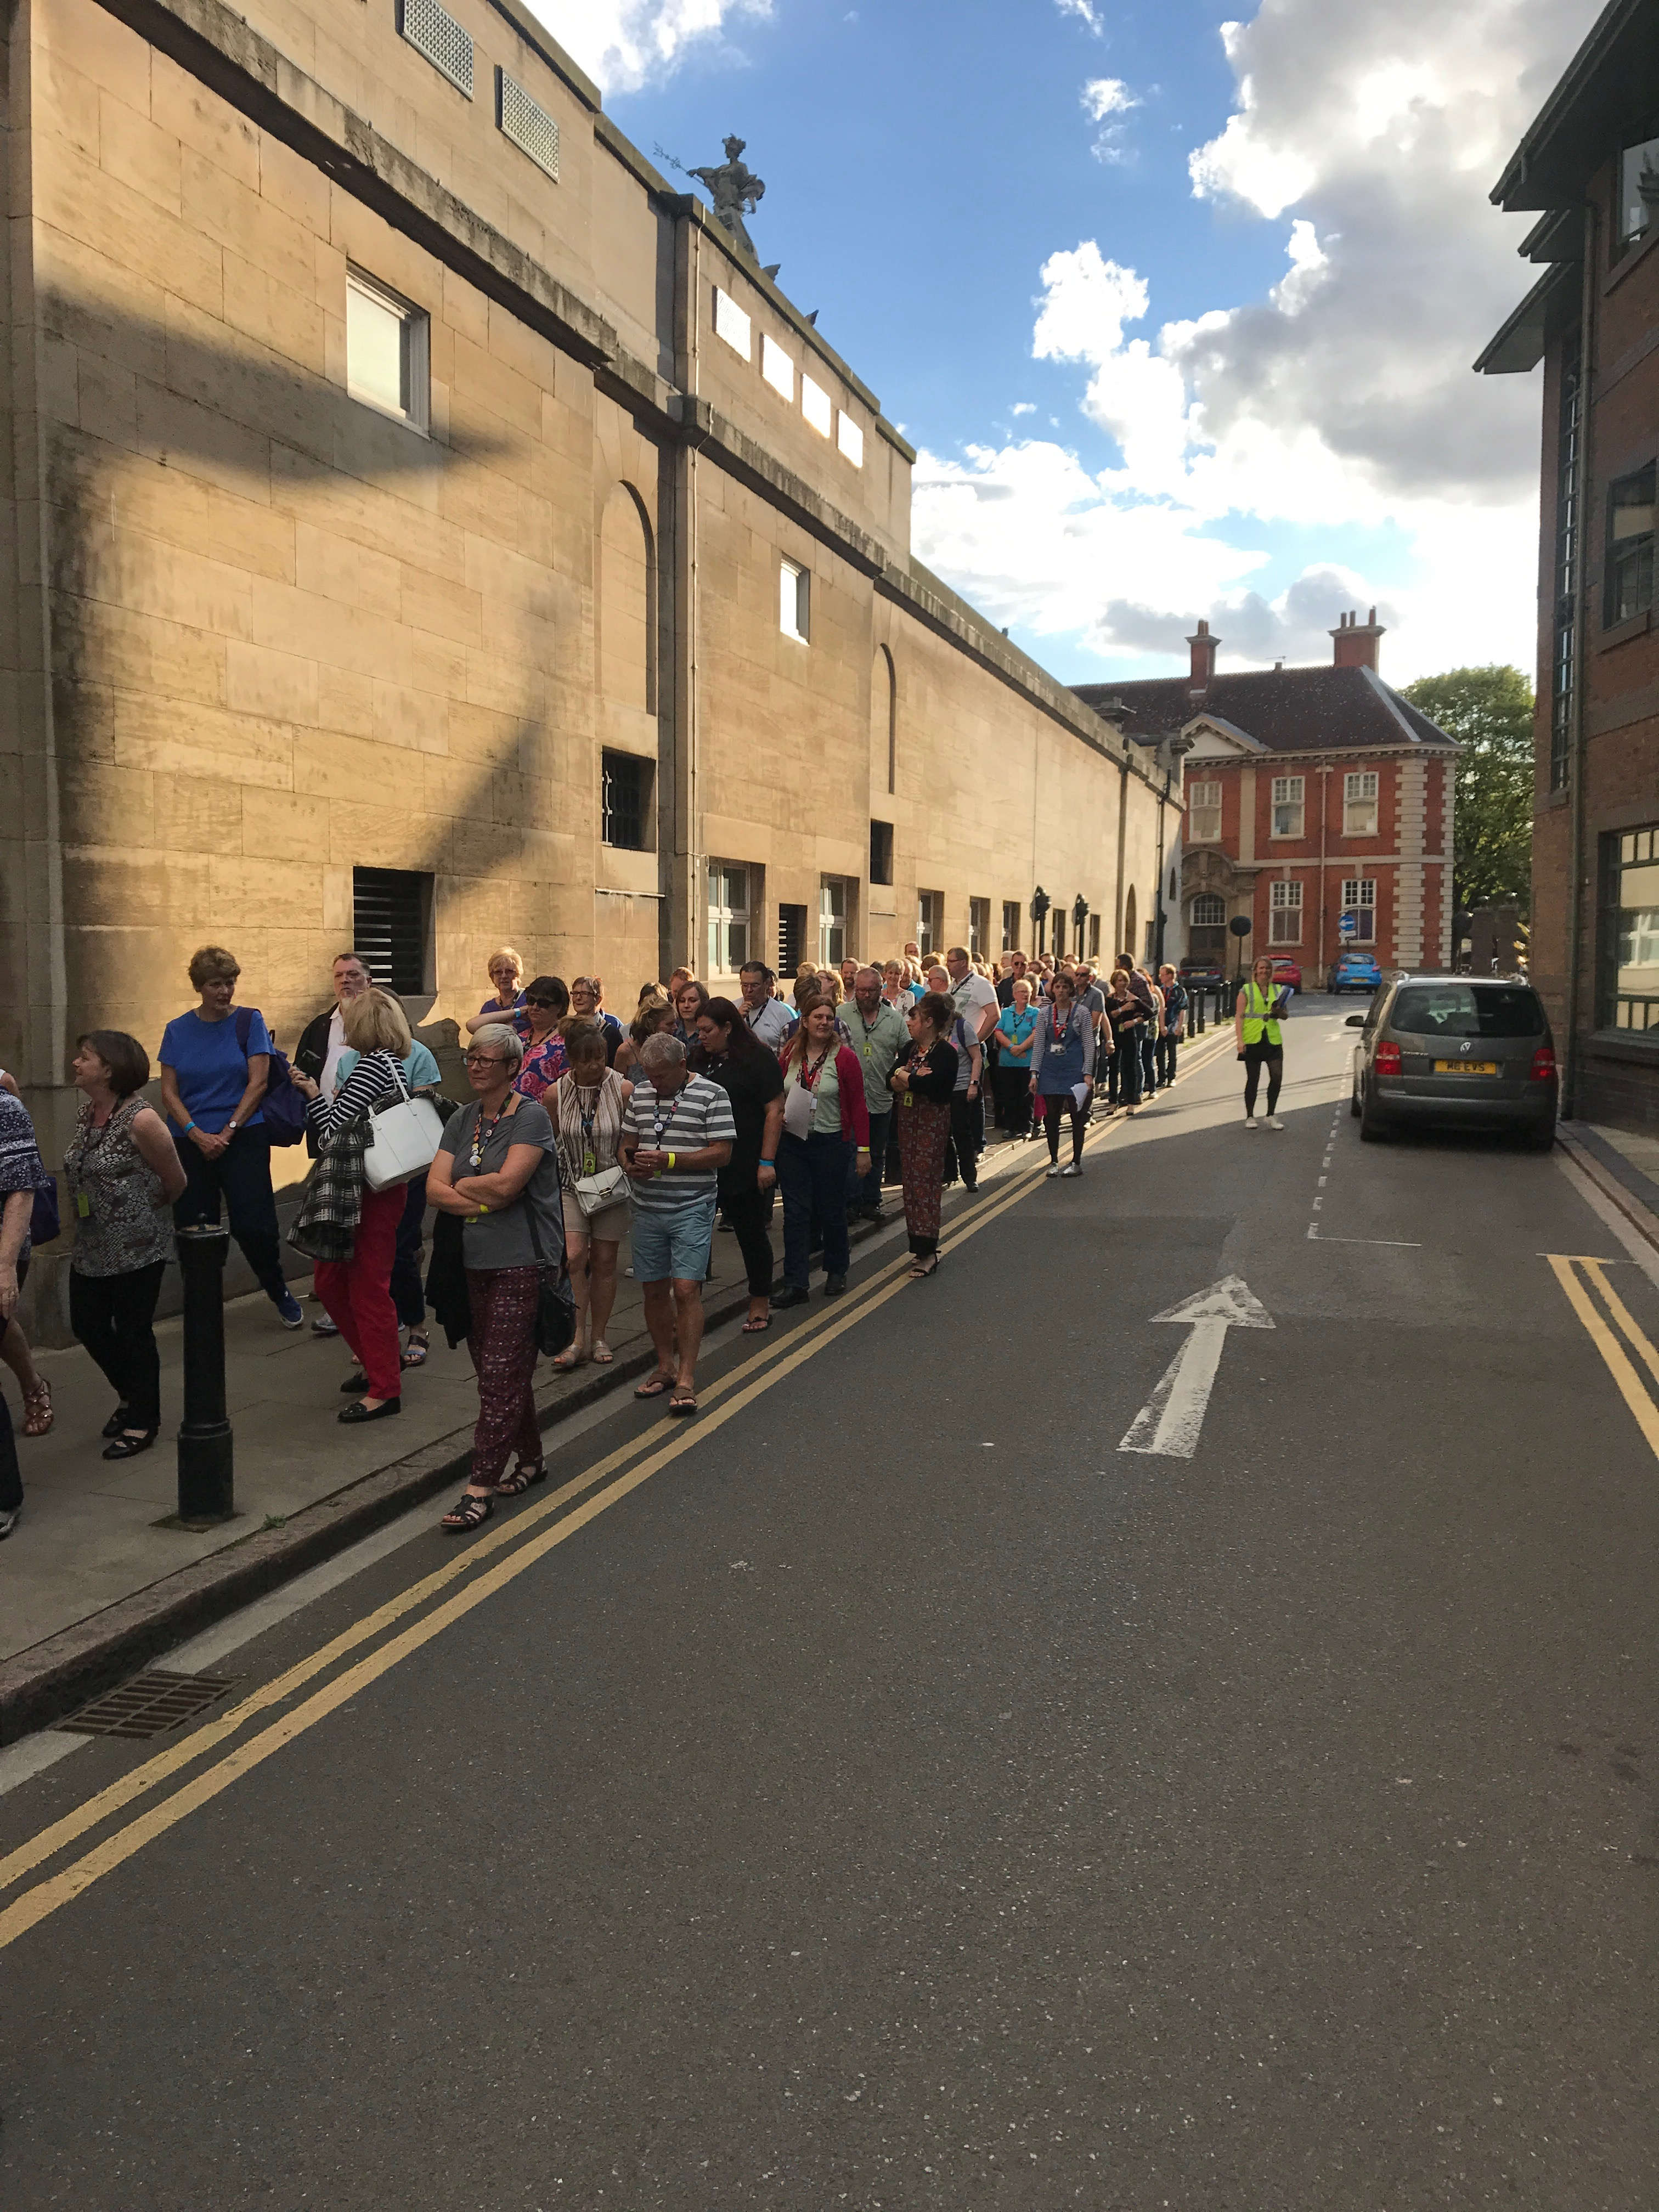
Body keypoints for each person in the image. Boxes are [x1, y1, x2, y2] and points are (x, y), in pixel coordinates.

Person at [428, 1024, 565, 1532]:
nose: (475, 1066)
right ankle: (532, 1461)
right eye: (471, 1057)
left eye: (486, 1059)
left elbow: (509, 1186)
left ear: (512, 1067)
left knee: (500, 1377)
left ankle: (479, 1488)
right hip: (469, 1264)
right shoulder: (462, 1118)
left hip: (522, 1262)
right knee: (498, 1375)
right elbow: (433, 1189)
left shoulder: (530, 1117)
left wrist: (465, 1187)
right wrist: (481, 1198)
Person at [289, 989, 419, 1423]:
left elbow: (331, 1133)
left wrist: (312, 1094)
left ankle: (385, 1388)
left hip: (365, 1191)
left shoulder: (370, 1067)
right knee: (330, 1280)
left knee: (365, 1288)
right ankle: (379, 1362)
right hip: (373, 1188)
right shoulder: (391, 1064)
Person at [159, 945, 304, 1329]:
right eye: (215, 984)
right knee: (194, 1225)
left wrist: (227, 1132)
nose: (224, 991)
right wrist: (195, 1133)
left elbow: (258, 1083)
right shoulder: (176, 1030)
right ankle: (202, 1306)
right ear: (199, 986)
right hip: (190, 1140)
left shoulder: (249, 1021)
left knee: (254, 1224)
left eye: (230, 983)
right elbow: (169, 1092)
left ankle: (278, 1289)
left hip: (244, 1135)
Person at [61, 1030, 188, 1468]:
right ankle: (131, 1394)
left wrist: (141, 1214)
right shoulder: (87, 1114)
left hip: (137, 1248)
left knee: (134, 1332)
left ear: (109, 1069)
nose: (76, 1063)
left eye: (85, 1057)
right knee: (88, 1324)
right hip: (91, 1245)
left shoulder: (141, 1119)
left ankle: (143, 1420)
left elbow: (176, 1180)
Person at [619, 1034, 735, 1414]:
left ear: (682, 1066)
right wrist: (630, 1164)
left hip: (692, 1206)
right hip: (646, 1207)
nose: (654, 1083)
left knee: (685, 1290)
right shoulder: (640, 1094)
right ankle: (665, 1366)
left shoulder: (712, 1095)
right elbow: (627, 1142)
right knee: (654, 1290)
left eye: (662, 1076)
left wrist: (670, 1161)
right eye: (649, 1075)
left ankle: (686, 1378)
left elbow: (722, 1153)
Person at [331, 998, 444, 1377]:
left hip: (399, 1168)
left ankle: (413, 1328)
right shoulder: (357, 1063)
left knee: (397, 1252)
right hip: (376, 1171)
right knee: (382, 1259)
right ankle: (383, 1338)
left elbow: (335, 1127)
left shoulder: (403, 1058)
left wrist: (312, 1097)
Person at [771, 999, 870, 1308]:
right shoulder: (790, 1053)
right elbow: (778, 1094)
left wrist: (864, 1150)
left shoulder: (846, 1058)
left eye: (829, 1017)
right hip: (794, 1144)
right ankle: (795, 1283)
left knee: (831, 1210)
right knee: (795, 1214)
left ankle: (836, 1270)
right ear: (805, 1021)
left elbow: (858, 1105)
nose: (824, 1022)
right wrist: (780, 1115)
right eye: (818, 1017)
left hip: (831, 1143)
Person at [695, 997, 785, 1334]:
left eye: (708, 1030)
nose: (702, 1036)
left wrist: (766, 1162)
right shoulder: (699, 1058)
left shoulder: (758, 1058)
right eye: (699, 1030)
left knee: (751, 1234)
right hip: (704, 1162)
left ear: (728, 1027)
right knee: (695, 1235)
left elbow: (775, 1110)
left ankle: (760, 1301)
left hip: (745, 1161)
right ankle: (690, 1304)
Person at [546, 1022, 631, 1369]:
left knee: (606, 1261)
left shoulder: (623, 1089)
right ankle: (577, 1338)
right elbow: (553, 1139)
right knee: (575, 1257)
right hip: (571, 1185)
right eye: (586, 1059)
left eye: (600, 1057)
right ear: (571, 1060)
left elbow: (630, 1137)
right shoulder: (555, 1093)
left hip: (611, 1186)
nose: (595, 1065)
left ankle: (600, 1336)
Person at [0, 1086, 52, 1536]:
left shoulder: (5, 1108)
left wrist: (4, 1268)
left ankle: (4, 1498)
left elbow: (21, 1190)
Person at [888, 991, 958, 1281]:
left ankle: (929, 1252)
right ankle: (917, 1246)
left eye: (914, 1017)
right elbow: (890, 1080)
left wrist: (906, 1077)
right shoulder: (909, 1048)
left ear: (929, 1021)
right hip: (907, 1124)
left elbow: (935, 1088)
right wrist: (910, 1078)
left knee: (927, 1186)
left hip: (931, 1126)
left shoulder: (946, 1053)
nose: (909, 1022)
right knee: (911, 1185)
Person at [841, 968, 907, 1224]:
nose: (866, 995)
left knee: (876, 1153)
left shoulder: (895, 1019)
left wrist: (898, 1077)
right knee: (852, 1153)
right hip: (847, 1100)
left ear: (881, 989)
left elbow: (907, 1053)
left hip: (881, 1098)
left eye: (871, 990)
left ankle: (871, 1202)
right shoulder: (841, 1015)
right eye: (861, 990)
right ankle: (850, 1204)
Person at [1031, 971, 1094, 1177]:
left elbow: (1089, 1045)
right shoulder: (1044, 1014)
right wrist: (1034, 1073)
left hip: (1075, 1071)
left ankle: (1076, 1161)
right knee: (1051, 1118)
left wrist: (1088, 1073)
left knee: (1078, 1117)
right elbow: (1039, 1045)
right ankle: (1054, 1161)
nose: (1061, 991)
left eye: (1065, 987)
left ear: (1071, 990)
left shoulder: (1082, 1013)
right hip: (1051, 1071)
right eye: (1057, 987)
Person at [294, 949, 374, 1109]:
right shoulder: (319, 1026)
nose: (345, 980)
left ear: (368, 982)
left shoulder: (381, 1022)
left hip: (371, 1115)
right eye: (339, 976)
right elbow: (302, 1071)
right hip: (324, 1114)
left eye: (353, 975)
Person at [1235, 955, 1289, 1128]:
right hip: (1252, 1038)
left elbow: (1285, 1016)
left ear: (1271, 971)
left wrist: (1278, 1011)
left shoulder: (1278, 990)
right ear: (1255, 971)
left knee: (1277, 1077)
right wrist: (1240, 1041)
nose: (1264, 971)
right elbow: (1239, 1016)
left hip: (1273, 1039)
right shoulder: (1246, 990)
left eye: (1267, 968)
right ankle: (1250, 1116)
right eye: (1261, 968)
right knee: (1253, 1079)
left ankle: (1270, 1115)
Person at [991, 978, 1039, 1139]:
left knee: (1026, 1096)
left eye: (1028, 992)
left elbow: (1036, 1033)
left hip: (1027, 1060)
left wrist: (1021, 1048)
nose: (1026, 995)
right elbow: (998, 1032)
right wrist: (1012, 1047)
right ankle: (1010, 1127)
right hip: (1008, 1061)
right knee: (1009, 1095)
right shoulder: (1006, 1013)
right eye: (1022, 992)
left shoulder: (1035, 1013)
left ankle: (1026, 1127)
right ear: (1014, 994)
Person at [514, 976, 572, 1102]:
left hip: (542, 1110)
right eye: (531, 1001)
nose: (535, 1007)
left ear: (559, 1007)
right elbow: (475, 1026)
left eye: (543, 1003)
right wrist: (517, 1012)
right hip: (509, 1108)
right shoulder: (520, 1035)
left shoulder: (567, 1041)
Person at [1105, 969, 1146, 1113]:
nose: (1122, 983)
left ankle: (1131, 1103)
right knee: (1113, 1069)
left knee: (1130, 1069)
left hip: (1129, 1036)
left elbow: (1148, 1012)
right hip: (1115, 1036)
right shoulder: (1110, 999)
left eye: (1124, 981)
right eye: (1119, 981)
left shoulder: (1133, 998)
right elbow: (1108, 1016)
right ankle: (1113, 1102)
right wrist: (1123, 1009)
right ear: (1114, 983)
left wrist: (1134, 1021)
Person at [464, 947, 528, 1037]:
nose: (504, 976)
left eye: (509, 971)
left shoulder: (529, 998)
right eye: (498, 972)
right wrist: (518, 1012)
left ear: (517, 974)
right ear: (492, 977)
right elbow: (472, 1026)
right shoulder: (489, 1007)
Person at [738, 960, 796, 1051]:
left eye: (755, 985)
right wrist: (736, 1020)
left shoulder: (781, 1013)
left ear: (766, 984)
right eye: (745, 985)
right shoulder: (732, 1008)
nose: (749, 990)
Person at [615, 996, 674, 1079]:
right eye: (669, 1024)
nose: (676, 1027)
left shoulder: (673, 1048)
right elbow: (618, 1085)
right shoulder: (625, 1052)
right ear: (652, 1025)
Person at [569, 975, 623, 1064]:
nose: (578, 998)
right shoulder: (566, 1028)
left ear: (598, 999)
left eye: (584, 994)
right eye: (575, 993)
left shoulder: (611, 1033)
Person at [1156, 964, 1188, 1089]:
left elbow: (1183, 1010)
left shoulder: (1180, 991)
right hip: (1160, 1026)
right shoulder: (1159, 990)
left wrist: (1180, 1026)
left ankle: (1171, 1078)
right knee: (1160, 1054)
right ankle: (1161, 1078)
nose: (1160, 977)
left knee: (1172, 1053)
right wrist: (1161, 1026)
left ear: (1170, 976)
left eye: (1162, 975)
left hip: (1173, 1026)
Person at [671, 977, 711, 1047]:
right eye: (682, 1001)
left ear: (703, 1002)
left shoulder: (711, 1031)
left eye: (692, 1000)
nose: (686, 1005)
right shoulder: (671, 1029)